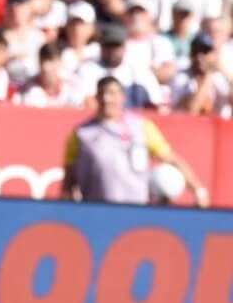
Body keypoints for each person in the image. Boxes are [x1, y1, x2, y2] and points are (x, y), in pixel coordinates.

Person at [61, 75, 210, 206]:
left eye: (112, 93)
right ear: (97, 97)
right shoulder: (82, 134)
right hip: (96, 211)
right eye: (102, 94)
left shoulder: (141, 127)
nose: (107, 99)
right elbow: (68, 181)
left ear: (122, 97)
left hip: (137, 213)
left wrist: (198, 189)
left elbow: (171, 159)